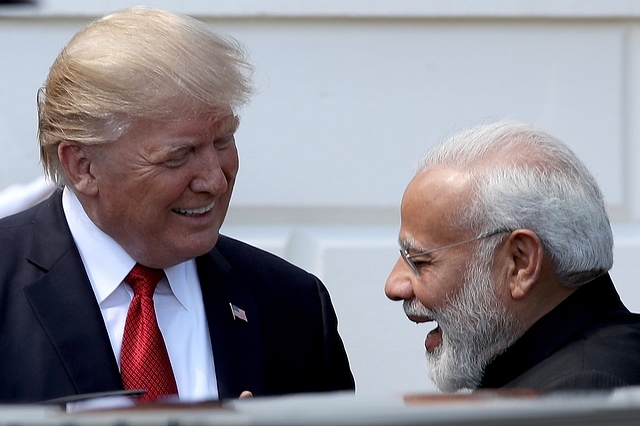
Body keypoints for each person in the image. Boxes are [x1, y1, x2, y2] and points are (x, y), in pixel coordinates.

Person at [0, 6, 354, 404]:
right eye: (178, 156)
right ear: (83, 167)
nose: (214, 180)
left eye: (223, 141)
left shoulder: (292, 306)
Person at [385, 120, 640, 392]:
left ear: (520, 263)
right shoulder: (547, 376)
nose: (393, 286)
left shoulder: (582, 391)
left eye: (419, 261)